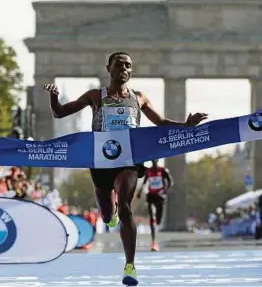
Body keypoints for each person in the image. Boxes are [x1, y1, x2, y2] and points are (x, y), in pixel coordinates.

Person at [44, 51, 207, 286]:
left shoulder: (138, 98)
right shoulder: (95, 96)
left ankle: (130, 265)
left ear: (132, 71)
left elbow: (160, 123)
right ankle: (110, 216)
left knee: (126, 206)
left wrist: (186, 124)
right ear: (108, 68)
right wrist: (54, 97)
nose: (124, 69)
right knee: (108, 213)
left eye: (128, 65)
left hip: (129, 159)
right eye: (119, 64)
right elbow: (59, 113)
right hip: (100, 160)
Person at [137, 159, 173, 251]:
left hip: (160, 197)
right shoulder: (148, 171)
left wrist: (164, 191)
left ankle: (155, 229)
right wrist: (140, 192)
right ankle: (153, 242)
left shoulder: (163, 170)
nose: (154, 162)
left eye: (155, 161)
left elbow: (170, 182)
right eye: (152, 161)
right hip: (151, 196)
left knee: (158, 220)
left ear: (158, 161)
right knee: (152, 218)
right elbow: (144, 182)